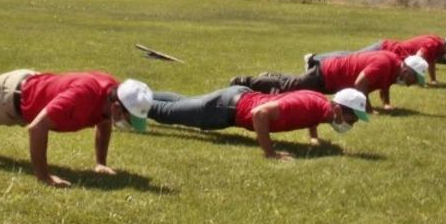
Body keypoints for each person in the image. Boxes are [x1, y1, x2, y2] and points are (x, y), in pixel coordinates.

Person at [0, 70, 153, 188]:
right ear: (116, 108)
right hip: (9, 97)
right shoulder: (83, 96)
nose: (128, 123)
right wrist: (44, 177)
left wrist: (101, 163)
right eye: (129, 118)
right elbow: (37, 128)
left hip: (29, 85)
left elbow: (104, 121)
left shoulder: (112, 94)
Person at [148, 87, 369, 160]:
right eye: (353, 118)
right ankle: (129, 103)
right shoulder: (309, 105)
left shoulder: (323, 107)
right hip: (226, 110)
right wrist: (270, 153)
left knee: (180, 103)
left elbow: (314, 117)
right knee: (168, 113)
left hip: (234, 100)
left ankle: (137, 94)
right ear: (339, 109)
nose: (353, 123)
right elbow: (259, 114)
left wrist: (313, 137)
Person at [230, 51, 427, 112]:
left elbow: (383, 86)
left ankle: (269, 76)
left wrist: (385, 103)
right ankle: (245, 81)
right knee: (289, 89)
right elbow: (360, 84)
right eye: (414, 79)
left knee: (293, 84)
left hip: (332, 78)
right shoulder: (386, 63)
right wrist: (367, 109)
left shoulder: (394, 69)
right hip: (328, 74)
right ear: (407, 69)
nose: (411, 84)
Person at [308, 34, 446, 85]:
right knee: (351, 57)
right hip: (386, 49)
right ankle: (315, 59)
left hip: (389, 51)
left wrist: (432, 79)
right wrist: (416, 75)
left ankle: (317, 60)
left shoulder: (438, 46)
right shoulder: (433, 44)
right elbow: (419, 58)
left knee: (351, 56)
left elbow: (429, 62)